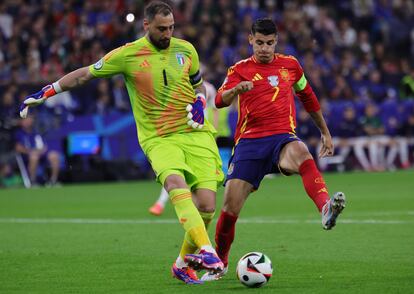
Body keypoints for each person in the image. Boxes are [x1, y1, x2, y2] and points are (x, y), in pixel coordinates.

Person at [19, 1, 224, 285]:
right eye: (162, 29)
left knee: (206, 207)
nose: (167, 33)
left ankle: (181, 264)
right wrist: (49, 90)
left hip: (195, 133)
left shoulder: (186, 49)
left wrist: (201, 100)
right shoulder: (127, 54)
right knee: (175, 184)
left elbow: (198, 82)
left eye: (171, 28)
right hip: (158, 137)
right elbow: (85, 74)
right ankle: (206, 250)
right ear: (146, 25)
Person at [201, 18, 346, 281]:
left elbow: (308, 98)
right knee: (230, 209)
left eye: (269, 43)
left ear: (276, 41)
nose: (264, 48)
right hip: (249, 143)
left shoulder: (290, 66)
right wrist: (236, 90)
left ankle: (325, 208)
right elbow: (220, 100)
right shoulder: (240, 69)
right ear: (250, 40)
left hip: (281, 138)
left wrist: (324, 132)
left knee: (302, 152)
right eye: (259, 43)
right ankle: (220, 263)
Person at [14, 115, 61, 186]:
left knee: (54, 155)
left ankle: (53, 180)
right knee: (34, 157)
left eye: (30, 120)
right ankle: (33, 181)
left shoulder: (36, 131)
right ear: (21, 122)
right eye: (26, 120)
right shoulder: (19, 133)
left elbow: (44, 146)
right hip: (26, 155)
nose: (28, 122)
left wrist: (39, 151)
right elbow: (18, 148)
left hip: (40, 153)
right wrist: (30, 152)